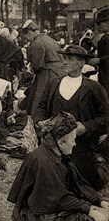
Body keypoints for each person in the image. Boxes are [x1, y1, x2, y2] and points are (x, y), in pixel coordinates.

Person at [8, 112, 109, 221]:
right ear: (61, 143)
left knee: (102, 213)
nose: (74, 144)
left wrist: (99, 201)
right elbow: (61, 198)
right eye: (72, 140)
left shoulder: (57, 154)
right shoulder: (44, 162)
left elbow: (79, 183)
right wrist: (90, 210)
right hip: (37, 214)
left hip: (53, 205)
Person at [32, 45, 109, 190]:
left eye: (70, 59)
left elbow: (105, 116)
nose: (65, 62)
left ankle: (100, 162)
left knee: (86, 185)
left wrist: (86, 127)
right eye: (64, 58)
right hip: (54, 145)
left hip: (81, 146)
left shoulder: (93, 87)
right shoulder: (53, 83)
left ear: (80, 63)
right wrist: (40, 122)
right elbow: (40, 107)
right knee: (47, 183)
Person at [19, 19, 63, 115]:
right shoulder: (48, 39)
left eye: (26, 37)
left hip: (47, 73)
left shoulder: (37, 43)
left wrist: (30, 71)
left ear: (30, 33)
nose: (27, 40)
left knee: (40, 97)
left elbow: (37, 65)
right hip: (58, 71)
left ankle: (38, 117)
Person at [90, 9, 109, 95]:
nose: (97, 26)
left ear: (108, 23)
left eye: (99, 23)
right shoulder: (104, 38)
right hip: (104, 75)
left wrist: (100, 60)